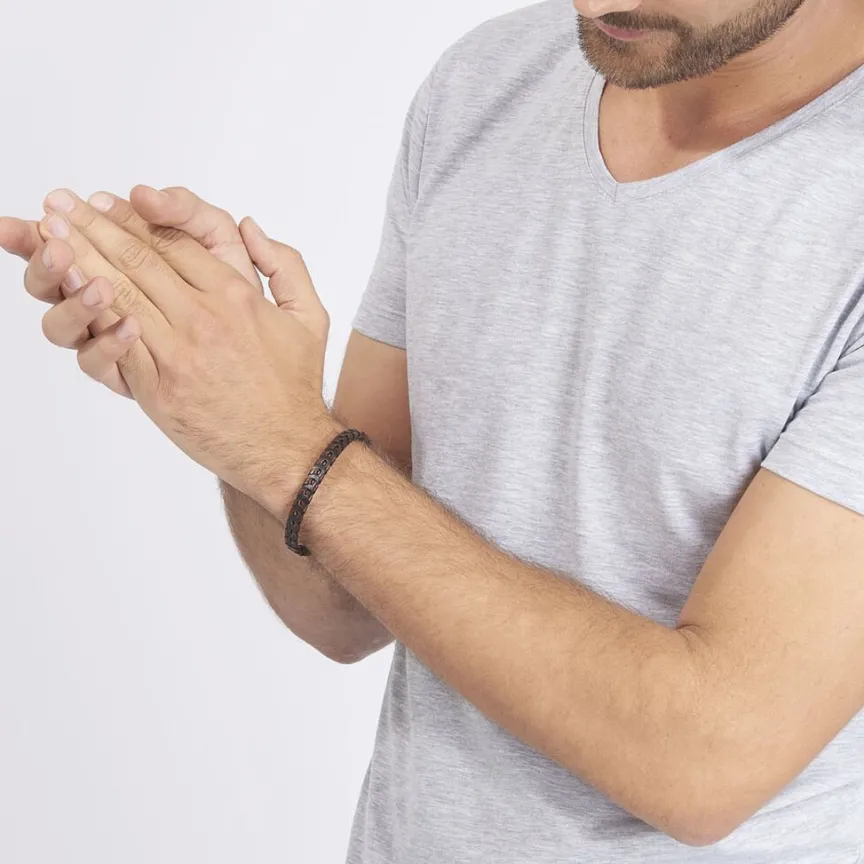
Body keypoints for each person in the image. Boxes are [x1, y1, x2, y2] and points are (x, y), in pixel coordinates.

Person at [2, 0, 864, 859]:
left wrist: (286, 443)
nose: (596, 5)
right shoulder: (487, 84)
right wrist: (225, 389)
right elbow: (339, 609)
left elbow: (705, 762)